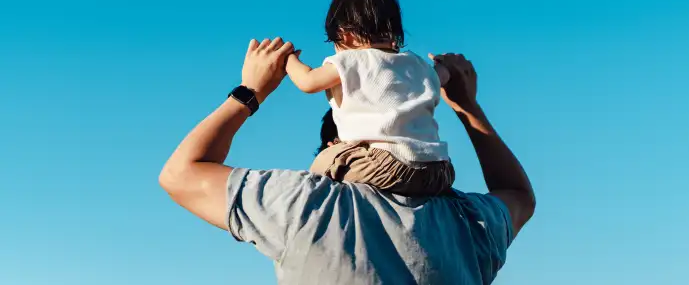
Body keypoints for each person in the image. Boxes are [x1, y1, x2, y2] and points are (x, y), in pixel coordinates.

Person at [159, 37, 535, 284]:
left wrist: (249, 92)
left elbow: (180, 174)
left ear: (335, 144)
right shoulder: (469, 225)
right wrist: (467, 107)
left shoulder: (305, 206)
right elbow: (517, 194)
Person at [286, 0, 454, 196]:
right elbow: (442, 76)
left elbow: (308, 82)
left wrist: (288, 59)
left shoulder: (352, 60)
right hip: (439, 170)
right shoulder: (418, 64)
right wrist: (444, 65)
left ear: (343, 34)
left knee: (326, 159)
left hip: (388, 165)